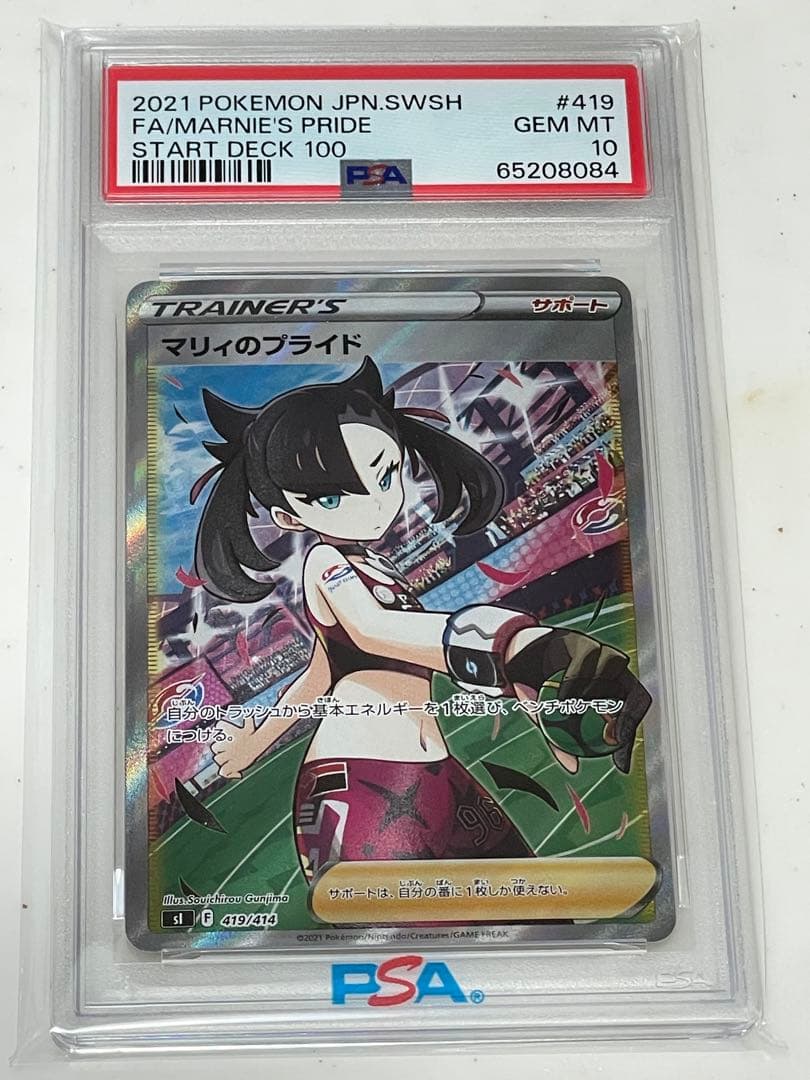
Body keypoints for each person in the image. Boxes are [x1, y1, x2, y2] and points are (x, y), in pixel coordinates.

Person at [191, 358, 650, 877]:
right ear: (287, 516)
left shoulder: (377, 567)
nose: (374, 503)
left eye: (385, 475)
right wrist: (517, 648)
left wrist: (254, 740)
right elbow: (374, 630)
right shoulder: (325, 563)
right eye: (332, 497)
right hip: (361, 784)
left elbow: (321, 674)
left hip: (437, 773)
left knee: (528, 904)